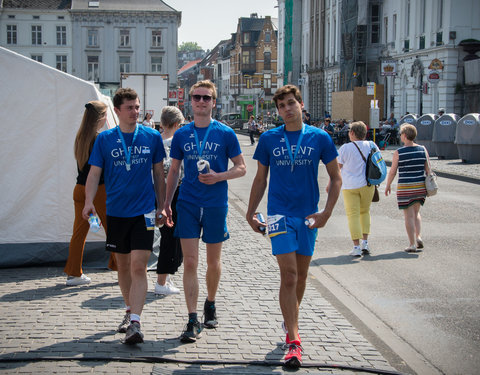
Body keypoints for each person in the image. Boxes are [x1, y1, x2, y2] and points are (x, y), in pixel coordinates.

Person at [246, 84, 342, 368]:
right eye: (281, 106)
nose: (287, 109)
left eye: (291, 103)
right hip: (278, 215)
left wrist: (325, 213)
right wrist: (251, 213)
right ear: (278, 111)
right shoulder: (268, 139)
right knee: (288, 276)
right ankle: (294, 339)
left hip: (308, 216)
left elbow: (336, 178)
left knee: (300, 277)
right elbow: (261, 179)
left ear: (301, 105)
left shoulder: (320, 137)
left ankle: (290, 323)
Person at [82, 88, 167, 344]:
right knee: (123, 267)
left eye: (137, 107)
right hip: (116, 212)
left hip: (144, 212)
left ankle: (137, 322)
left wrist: (163, 205)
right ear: (117, 111)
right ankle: (129, 310)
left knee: (139, 265)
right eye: (129, 108)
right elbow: (94, 174)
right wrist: (88, 201)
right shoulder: (105, 139)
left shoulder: (152, 136)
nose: (135, 112)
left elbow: (158, 176)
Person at [164, 80, 246, 343]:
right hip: (187, 203)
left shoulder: (225, 133)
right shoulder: (182, 134)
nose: (201, 102)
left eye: (206, 98)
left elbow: (241, 167)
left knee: (213, 262)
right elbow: (174, 170)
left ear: (214, 102)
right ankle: (191, 318)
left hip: (214, 204)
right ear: (190, 101)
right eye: (197, 97)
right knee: (190, 262)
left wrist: (219, 176)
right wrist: (166, 202)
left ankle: (210, 302)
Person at [64, 101, 117, 286]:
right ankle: (119, 267)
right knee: (113, 229)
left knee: (79, 233)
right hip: (98, 191)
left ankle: (73, 273)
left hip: (79, 190)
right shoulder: (99, 139)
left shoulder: (80, 137)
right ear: (101, 118)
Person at [385, 123, 431, 252]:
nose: (400, 137)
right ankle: (418, 236)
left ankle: (412, 244)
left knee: (408, 216)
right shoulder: (423, 149)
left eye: (400, 134)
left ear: (404, 136)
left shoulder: (399, 152)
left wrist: (388, 185)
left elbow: (393, 171)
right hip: (420, 186)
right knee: (416, 213)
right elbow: (428, 169)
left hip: (406, 187)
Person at [335, 121, 377, 256]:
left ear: (352, 133)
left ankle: (356, 247)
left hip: (349, 186)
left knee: (352, 215)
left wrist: (332, 183)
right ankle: (365, 242)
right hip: (368, 185)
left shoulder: (345, 148)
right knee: (365, 212)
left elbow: (337, 169)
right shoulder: (371, 145)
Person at [154, 106, 184, 296]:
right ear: (175, 124)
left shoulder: (155, 141)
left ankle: (165, 278)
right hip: (173, 194)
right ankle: (161, 281)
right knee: (170, 239)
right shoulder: (175, 143)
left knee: (166, 237)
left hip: (157, 193)